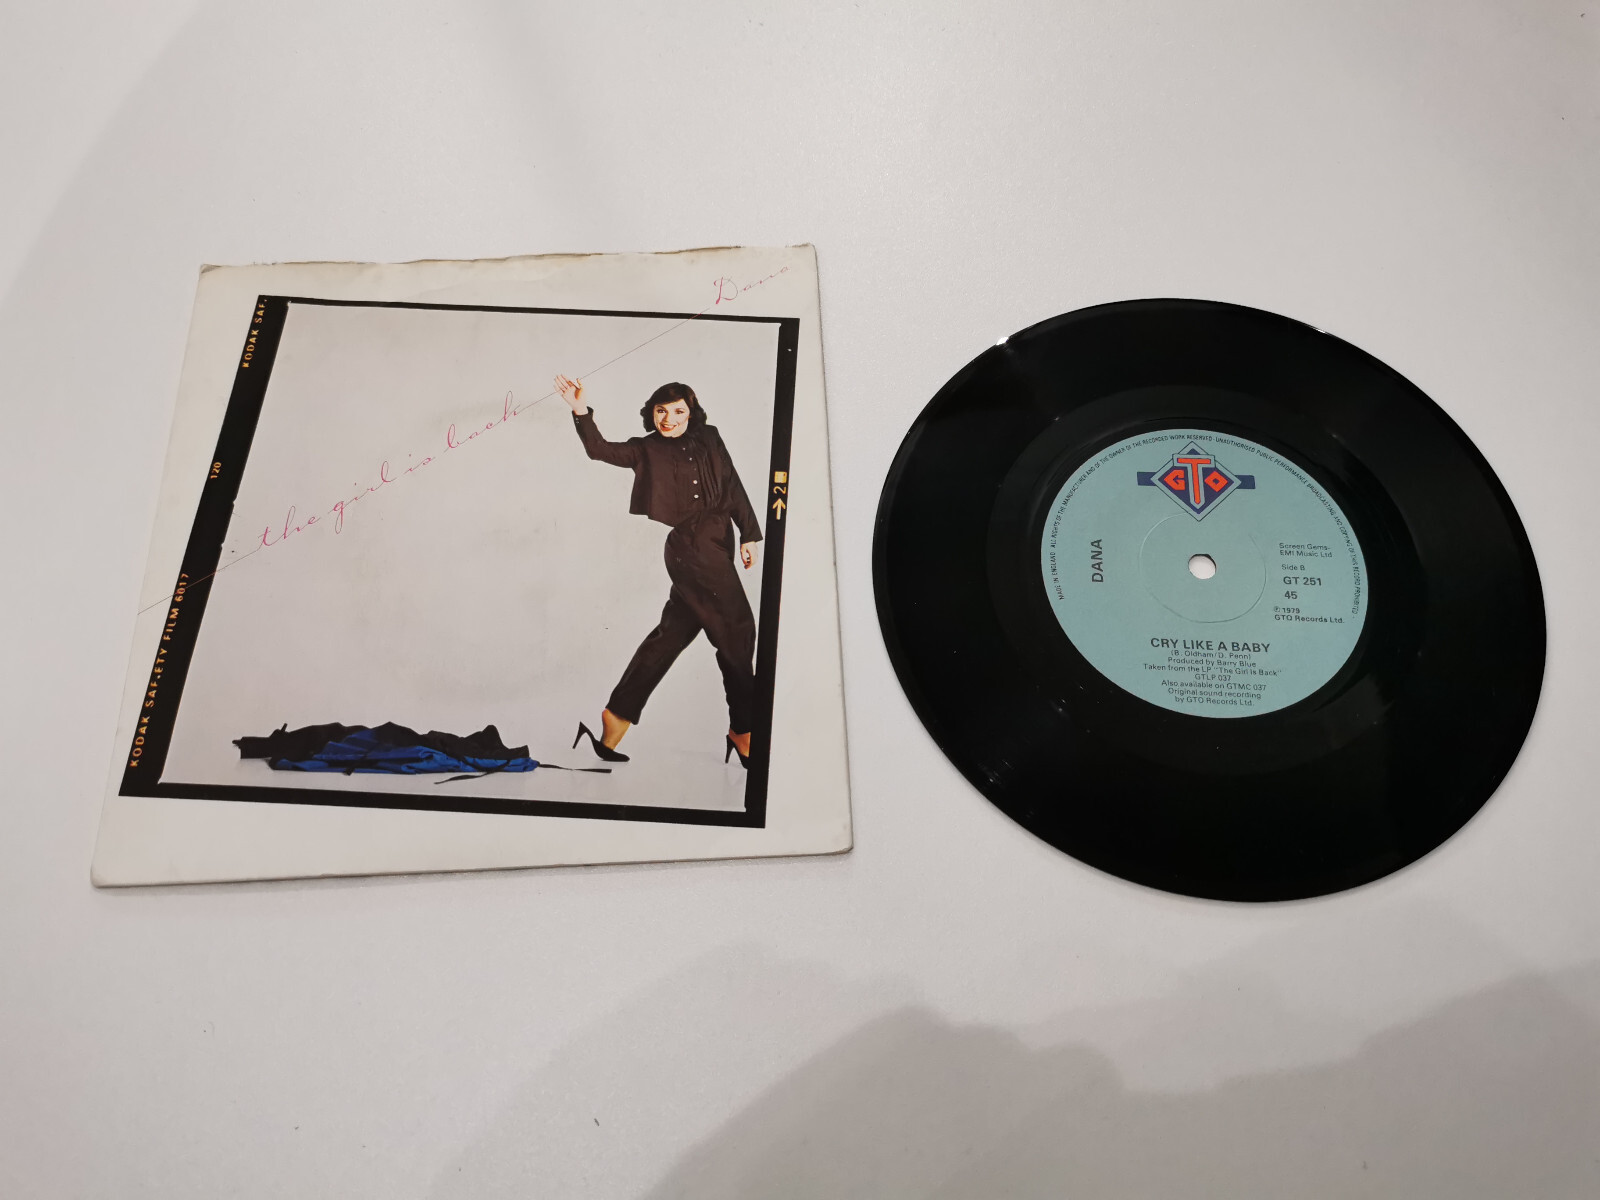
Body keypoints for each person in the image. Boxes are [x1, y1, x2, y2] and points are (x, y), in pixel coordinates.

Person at [556, 373, 763, 767]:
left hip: (719, 541)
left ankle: (617, 715)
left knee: (672, 635)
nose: (669, 419)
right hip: (690, 548)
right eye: (661, 411)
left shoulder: (710, 437)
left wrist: (748, 534)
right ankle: (744, 730)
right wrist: (580, 409)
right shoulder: (645, 448)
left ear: (691, 412)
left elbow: (732, 483)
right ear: (651, 414)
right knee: (738, 632)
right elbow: (598, 449)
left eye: (678, 412)